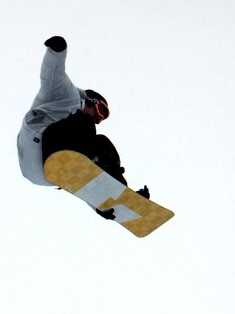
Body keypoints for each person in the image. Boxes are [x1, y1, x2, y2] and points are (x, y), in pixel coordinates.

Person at [17, 36, 149, 210]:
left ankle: (119, 195)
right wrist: (57, 50)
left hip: (43, 172)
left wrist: (101, 206)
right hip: (41, 143)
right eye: (101, 111)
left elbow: (84, 179)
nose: (99, 119)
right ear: (91, 100)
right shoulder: (65, 94)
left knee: (102, 145)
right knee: (85, 123)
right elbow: (52, 73)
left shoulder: (82, 135)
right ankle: (75, 161)